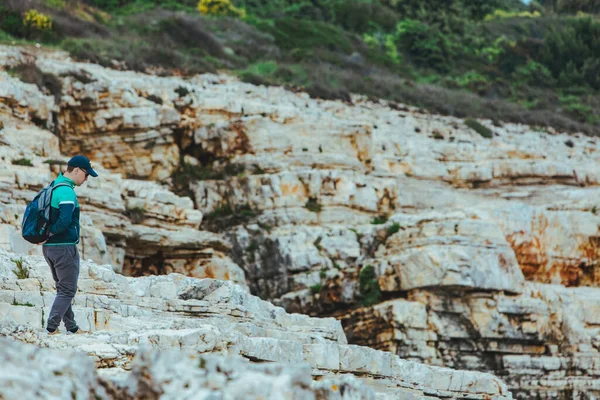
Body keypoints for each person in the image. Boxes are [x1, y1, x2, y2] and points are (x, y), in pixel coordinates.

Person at [43, 155, 98, 335]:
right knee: (68, 290)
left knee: (62, 288)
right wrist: (52, 232)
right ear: (76, 170)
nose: (86, 178)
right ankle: (52, 327)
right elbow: (65, 220)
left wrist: (47, 235)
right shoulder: (66, 191)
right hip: (63, 246)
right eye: (86, 174)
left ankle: (71, 327)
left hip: (50, 247)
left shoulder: (54, 185)